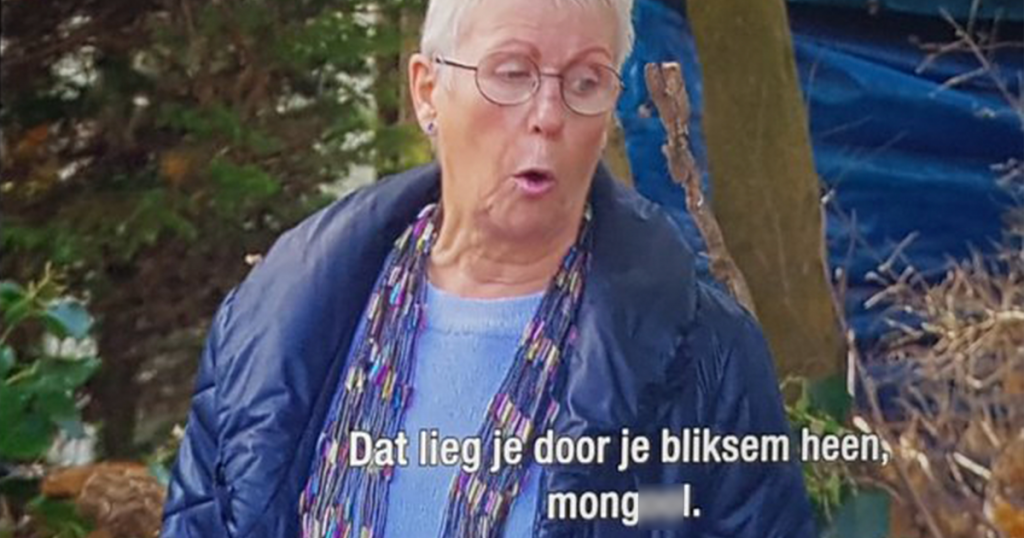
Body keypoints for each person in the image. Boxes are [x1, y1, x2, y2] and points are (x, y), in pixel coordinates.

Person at [159, 0, 817, 536]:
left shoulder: (706, 355)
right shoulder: (270, 324)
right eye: (511, 73)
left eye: (586, 82)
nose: (548, 116)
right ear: (428, 91)